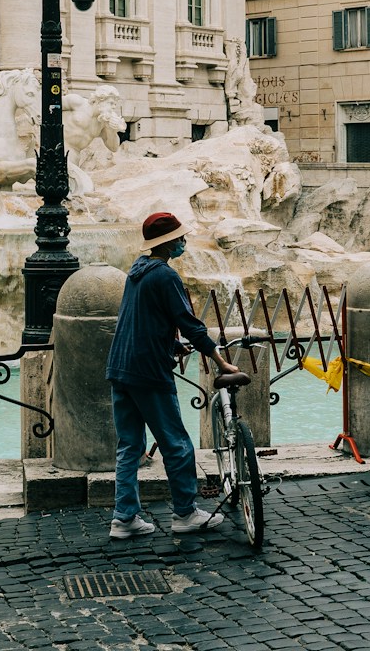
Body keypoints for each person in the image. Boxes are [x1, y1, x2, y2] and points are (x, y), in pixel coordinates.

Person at [106, 212, 237, 540]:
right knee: (176, 443)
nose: (184, 242)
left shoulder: (136, 272)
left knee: (129, 446)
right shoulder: (165, 275)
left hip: (120, 366)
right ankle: (185, 513)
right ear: (164, 243)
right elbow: (189, 321)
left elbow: (141, 319)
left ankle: (124, 519)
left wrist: (171, 343)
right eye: (179, 238)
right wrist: (221, 362)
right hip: (148, 370)